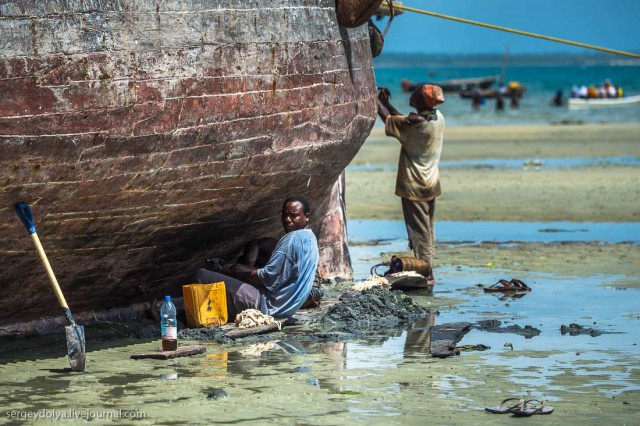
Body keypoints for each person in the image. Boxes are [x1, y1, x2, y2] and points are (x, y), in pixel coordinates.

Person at [192, 195, 319, 319]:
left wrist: (227, 271)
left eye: (293, 215)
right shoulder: (310, 238)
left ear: (306, 217)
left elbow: (266, 278)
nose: (287, 219)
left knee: (201, 275)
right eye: (284, 215)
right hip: (287, 308)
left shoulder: (292, 239)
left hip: (268, 306)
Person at [376, 85, 445, 285]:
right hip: (430, 183)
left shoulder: (420, 127)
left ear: (422, 101)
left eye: (416, 94)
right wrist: (387, 103)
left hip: (415, 185)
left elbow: (390, 121)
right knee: (428, 230)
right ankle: (426, 268)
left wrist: (375, 100)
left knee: (419, 232)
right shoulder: (437, 118)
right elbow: (404, 122)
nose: (412, 94)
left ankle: (426, 273)